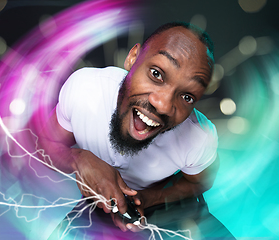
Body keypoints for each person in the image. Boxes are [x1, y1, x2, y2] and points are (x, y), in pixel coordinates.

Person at [40, 22, 234, 238]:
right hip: (102, 208)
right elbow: (46, 144)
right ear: (133, 57)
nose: (163, 105)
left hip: (167, 205)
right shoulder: (85, 89)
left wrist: (149, 198)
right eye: (157, 74)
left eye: (187, 96)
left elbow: (201, 180)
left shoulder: (198, 136)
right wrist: (78, 158)